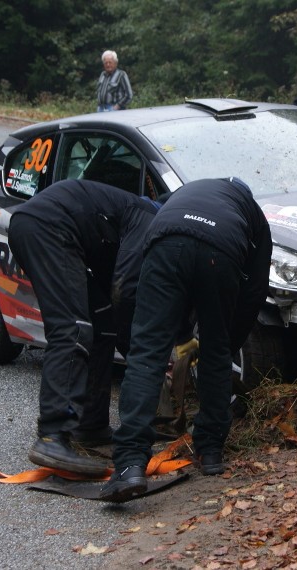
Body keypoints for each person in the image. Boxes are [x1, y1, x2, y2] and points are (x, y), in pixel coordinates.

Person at [100, 177, 272, 503]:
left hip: (164, 242)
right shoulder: (252, 214)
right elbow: (254, 292)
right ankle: (210, 452)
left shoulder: (182, 194)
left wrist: (169, 333)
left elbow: (146, 263)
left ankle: (130, 464)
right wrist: (222, 343)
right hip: (220, 249)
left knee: (147, 353)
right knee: (216, 348)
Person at [7, 179, 160, 476]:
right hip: (47, 227)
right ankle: (52, 436)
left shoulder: (125, 218)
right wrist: (144, 358)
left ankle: (89, 423)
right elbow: (124, 290)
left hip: (48, 228)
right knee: (71, 328)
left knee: (101, 323)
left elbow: (111, 297)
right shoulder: (147, 217)